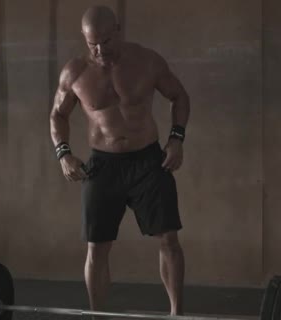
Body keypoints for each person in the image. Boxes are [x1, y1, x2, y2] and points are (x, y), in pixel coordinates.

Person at [49, 5, 190, 316]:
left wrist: (176, 139)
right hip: (102, 166)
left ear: (118, 30)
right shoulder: (75, 72)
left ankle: (177, 313)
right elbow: (58, 114)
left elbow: (179, 96)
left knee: (168, 239)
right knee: (96, 248)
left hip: (149, 162)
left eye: (106, 41)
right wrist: (64, 153)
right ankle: (97, 314)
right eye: (92, 44)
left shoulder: (146, 61)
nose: (99, 50)